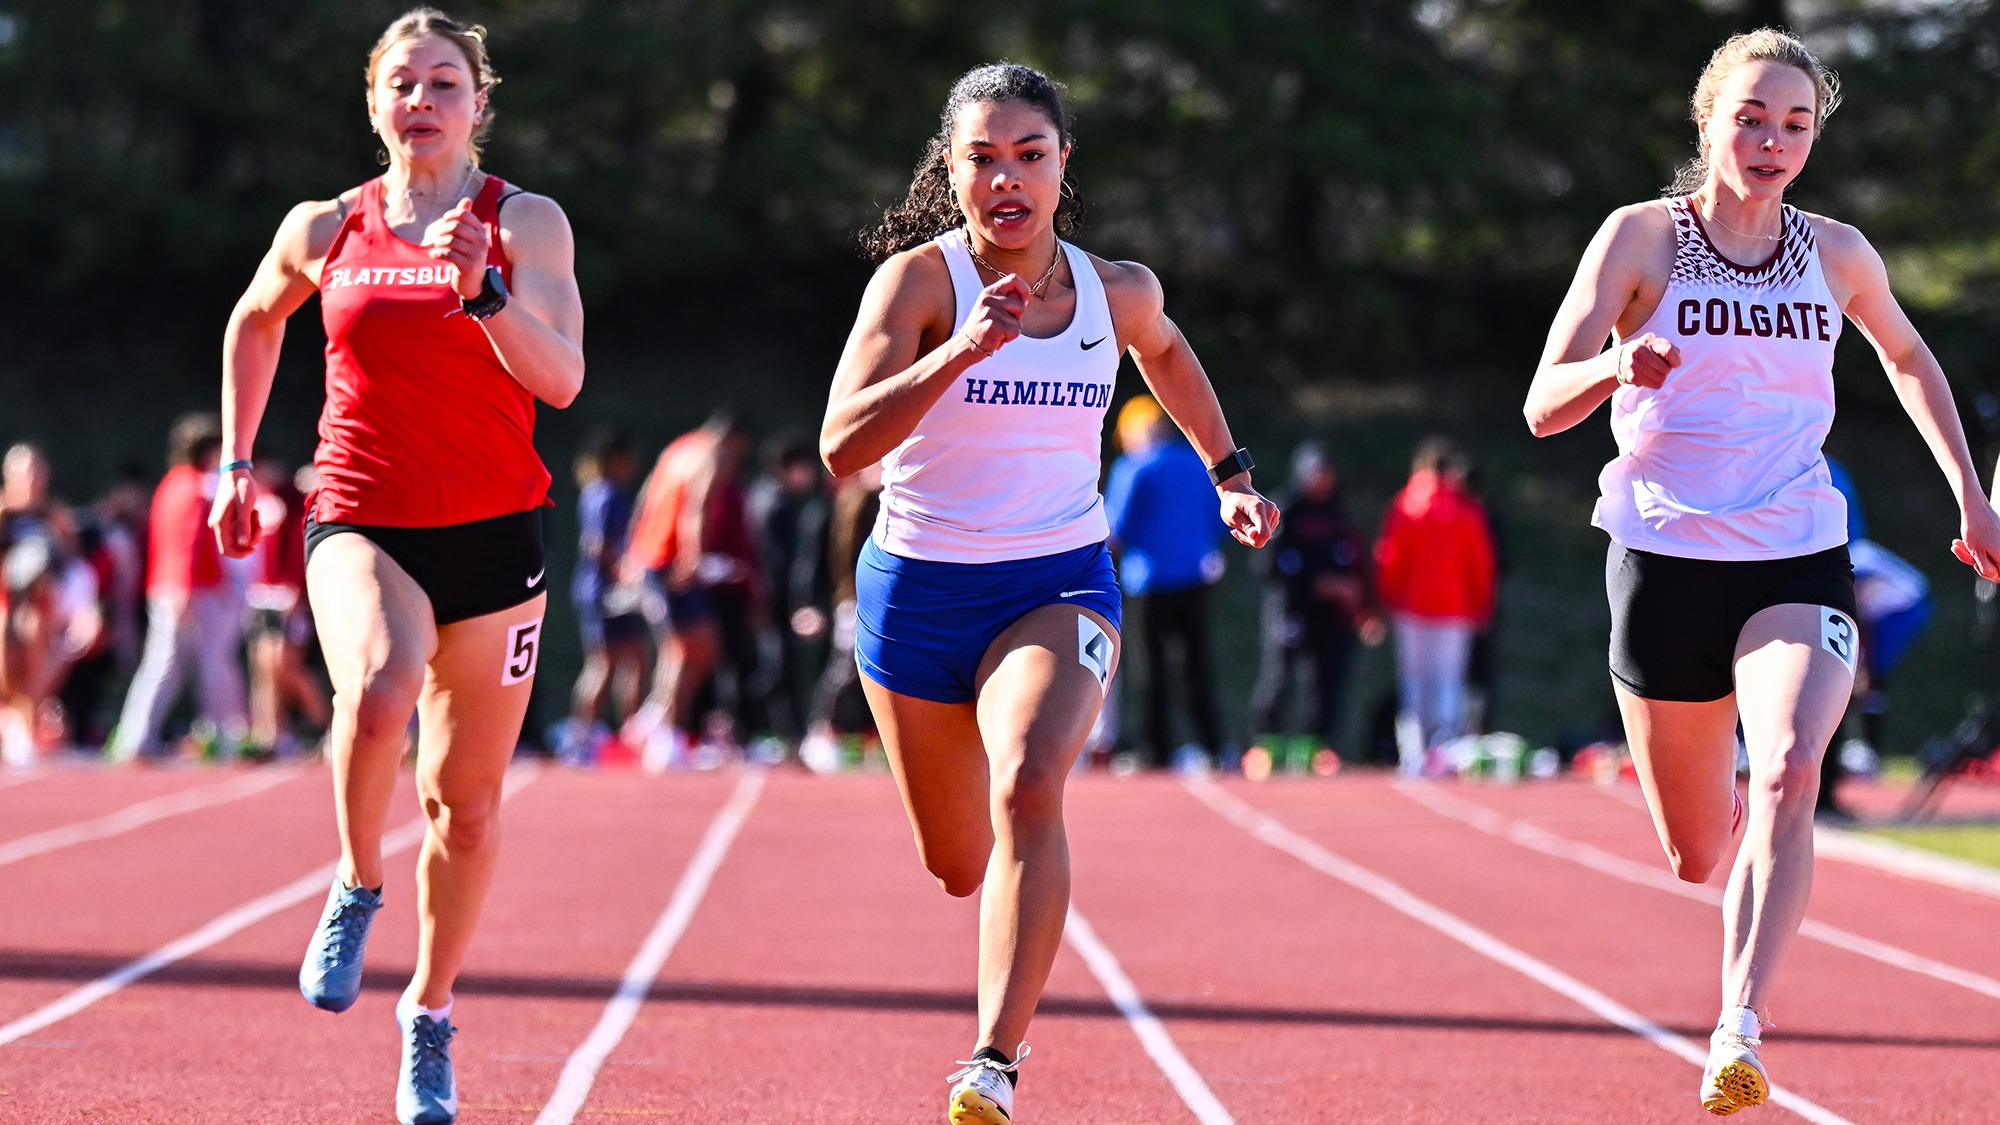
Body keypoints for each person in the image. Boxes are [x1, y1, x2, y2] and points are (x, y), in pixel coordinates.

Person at [1522, 28, 2000, 1116]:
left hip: (1794, 550)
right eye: (1749, 117)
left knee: (1789, 767)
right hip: (1662, 558)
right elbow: (1540, 407)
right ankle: (1728, 861)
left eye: (1794, 123)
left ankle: (1736, 1025)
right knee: (1696, 851)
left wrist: (1970, 499)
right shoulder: (1639, 239)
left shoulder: (1833, 253)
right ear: (1705, 122)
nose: (1771, 139)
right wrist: (1611, 363)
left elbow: (1906, 357)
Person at [822, 62, 1277, 1123]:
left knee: (1028, 781)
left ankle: (992, 1060)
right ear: (952, 171)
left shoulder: (1115, 289)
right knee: (956, 863)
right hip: (917, 593)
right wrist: (961, 351)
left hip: (1057, 579)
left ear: (1063, 165)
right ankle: (991, 918)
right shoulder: (917, 287)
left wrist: (1228, 475)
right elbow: (843, 445)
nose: (1007, 179)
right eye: (982, 159)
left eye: (1029, 155)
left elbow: (1166, 354)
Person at [208, 11, 583, 1124]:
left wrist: (485, 295)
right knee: (376, 690)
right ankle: (357, 880)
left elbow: (560, 380)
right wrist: (236, 462)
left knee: (463, 811)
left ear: (479, 102)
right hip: (358, 512)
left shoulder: (523, 222)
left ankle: (427, 1012)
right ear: (372, 102)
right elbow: (252, 320)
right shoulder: (327, 226)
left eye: (445, 82)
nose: (422, 99)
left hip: (496, 538)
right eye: (402, 83)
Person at [619, 412, 761, 767]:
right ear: (732, 440)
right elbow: (695, 510)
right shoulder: (710, 455)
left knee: (694, 648)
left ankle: (655, 720)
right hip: (671, 562)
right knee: (687, 650)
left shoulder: (678, 449)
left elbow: (645, 499)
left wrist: (633, 552)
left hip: (654, 557)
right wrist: (693, 560)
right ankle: (667, 735)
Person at [107, 415, 244, 762]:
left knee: (167, 665)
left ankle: (137, 738)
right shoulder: (195, 487)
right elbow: (191, 542)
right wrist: (184, 588)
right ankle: (222, 737)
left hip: (170, 587)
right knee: (204, 664)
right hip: (190, 590)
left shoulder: (171, 484)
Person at [1104, 393, 1227, 769]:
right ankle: (1213, 745)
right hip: (1194, 575)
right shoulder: (1194, 464)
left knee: (1149, 666)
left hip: (1149, 578)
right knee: (1195, 663)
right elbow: (1218, 518)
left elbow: (1115, 527)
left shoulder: (1133, 467)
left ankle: (1155, 748)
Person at [1248, 442, 1378, 771]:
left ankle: (1316, 745)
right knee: (1279, 674)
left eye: (1327, 473)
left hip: (1330, 615)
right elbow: (1267, 565)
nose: (1323, 480)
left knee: (1325, 678)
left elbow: (1353, 560)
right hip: (1291, 608)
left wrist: (1358, 601)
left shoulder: (1337, 512)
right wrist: (1313, 583)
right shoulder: (1286, 509)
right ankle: (1266, 743)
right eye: (1317, 473)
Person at [1373, 436, 1496, 775]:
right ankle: (1444, 751)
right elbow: (1481, 564)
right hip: (1454, 609)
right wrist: (1481, 605)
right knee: (1448, 682)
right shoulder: (1467, 511)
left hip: (1411, 607)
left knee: (1413, 683)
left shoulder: (1405, 505)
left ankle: (1412, 754)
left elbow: (1390, 557)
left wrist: (1385, 600)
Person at [562, 427, 647, 762]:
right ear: (617, 459)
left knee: (631, 658)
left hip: (602, 589)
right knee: (604, 664)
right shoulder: (606, 494)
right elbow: (597, 544)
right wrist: (625, 575)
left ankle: (625, 733)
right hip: (604, 591)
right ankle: (581, 738)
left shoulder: (597, 491)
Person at [244, 455, 330, 759]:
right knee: (264, 668)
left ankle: (328, 727)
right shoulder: (261, 501)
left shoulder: (290, 501)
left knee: (288, 667)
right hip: (263, 596)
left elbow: (299, 545)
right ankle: (272, 735)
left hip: (289, 596)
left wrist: (296, 589)